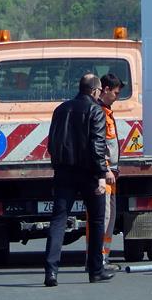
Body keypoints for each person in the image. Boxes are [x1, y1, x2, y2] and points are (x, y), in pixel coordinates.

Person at [43, 74, 114, 286]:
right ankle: (95, 270)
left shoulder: (60, 110)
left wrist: (58, 165)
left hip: (64, 173)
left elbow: (52, 143)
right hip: (89, 173)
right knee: (96, 220)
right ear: (94, 91)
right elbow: (97, 146)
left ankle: (51, 272)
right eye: (100, 90)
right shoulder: (96, 111)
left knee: (58, 220)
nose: (101, 94)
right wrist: (101, 176)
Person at [97, 73, 125, 270]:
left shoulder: (107, 112)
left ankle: (104, 257)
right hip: (104, 174)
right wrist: (105, 168)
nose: (117, 97)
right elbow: (98, 145)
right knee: (103, 215)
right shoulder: (98, 112)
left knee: (110, 216)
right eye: (115, 93)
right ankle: (97, 258)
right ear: (106, 89)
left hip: (111, 174)